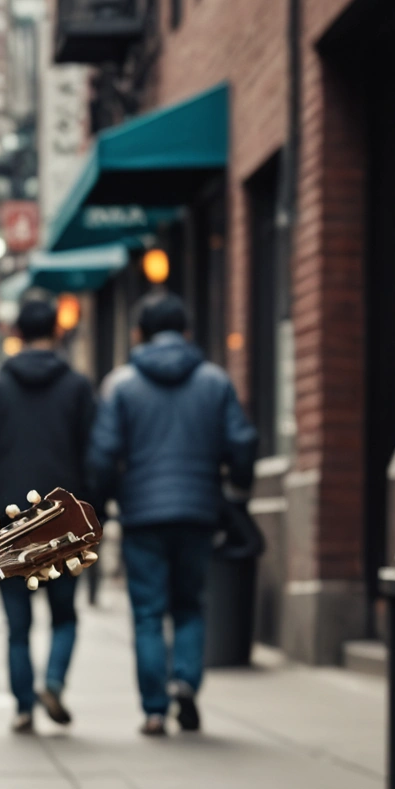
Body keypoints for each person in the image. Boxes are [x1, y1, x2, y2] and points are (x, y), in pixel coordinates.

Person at [87, 292, 257, 735]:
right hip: (199, 510)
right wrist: (237, 483)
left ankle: (155, 708)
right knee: (189, 606)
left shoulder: (121, 385)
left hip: (142, 513)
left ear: (140, 332)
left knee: (146, 612)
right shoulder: (215, 381)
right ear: (186, 331)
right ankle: (185, 680)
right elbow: (242, 441)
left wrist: (102, 506)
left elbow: (103, 454)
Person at [0, 296, 97, 732]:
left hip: (9, 521)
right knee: (65, 614)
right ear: (57, 331)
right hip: (63, 521)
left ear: (15, 333)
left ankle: (23, 706)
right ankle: (53, 680)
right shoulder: (77, 387)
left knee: (17, 625)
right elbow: (94, 456)